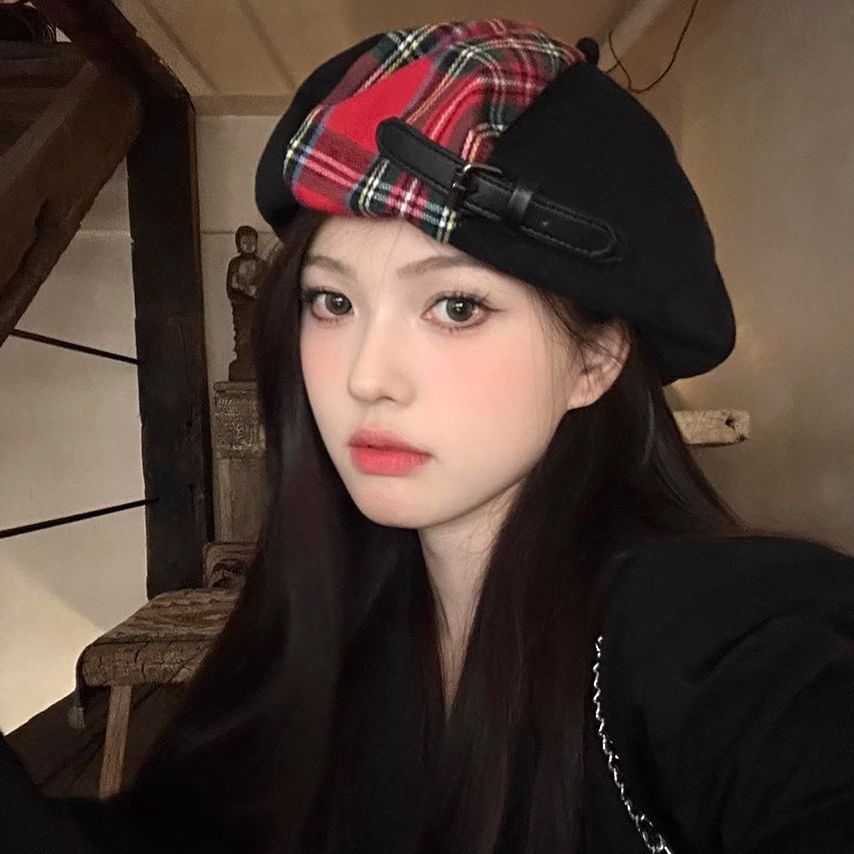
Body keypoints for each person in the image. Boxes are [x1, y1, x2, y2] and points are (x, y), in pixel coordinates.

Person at [2, 18, 853, 854]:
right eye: (333, 302)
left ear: (595, 361)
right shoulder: (321, 623)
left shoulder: (718, 633)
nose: (367, 377)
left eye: (456, 306)